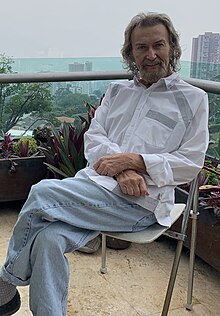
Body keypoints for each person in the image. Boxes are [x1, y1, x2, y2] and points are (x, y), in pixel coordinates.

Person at [0, 12, 209, 316]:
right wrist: (123, 168)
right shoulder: (117, 91)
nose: (151, 55)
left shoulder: (194, 99)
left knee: (43, 192)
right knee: (47, 238)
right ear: (130, 53)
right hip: (94, 188)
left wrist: (138, 161)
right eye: (141, 48)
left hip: (141, 204)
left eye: (158, 45)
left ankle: (5, 285)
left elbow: (190, 163)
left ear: (173, 47)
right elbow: (93, 140)